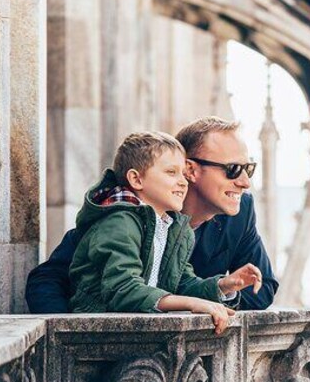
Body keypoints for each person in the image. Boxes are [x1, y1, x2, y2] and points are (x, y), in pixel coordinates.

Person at [26, 117, 278, 314]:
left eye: (249, 169)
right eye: (233, 170)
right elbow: (47, 279)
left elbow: (263, 289)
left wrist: (225, 290)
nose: (245, 182)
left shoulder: (239, 212)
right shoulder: (122, 214)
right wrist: (69, 338)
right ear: (191, 170)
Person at [68, 131, 262, 333]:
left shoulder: (174, 227)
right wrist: (191, 304)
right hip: (98, 333)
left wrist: (223, 286)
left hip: (140, 330)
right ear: (136, 179)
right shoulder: (119, 221)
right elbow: (123, 289)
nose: (183, 181)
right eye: (171, 172)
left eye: (182, 173)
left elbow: (182, 282)